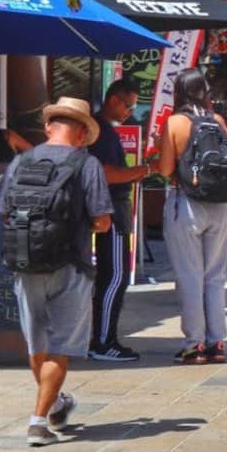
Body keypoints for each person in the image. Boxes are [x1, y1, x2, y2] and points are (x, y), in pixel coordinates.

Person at [0, 98, 112, 447]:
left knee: (38, 346)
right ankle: (37, 422)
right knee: (59, 348)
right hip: (71, 266)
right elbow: (102, 221)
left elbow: (4, 211)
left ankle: (56, 404)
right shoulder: (86, 164)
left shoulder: (21, 161)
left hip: (25, 263)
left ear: (49, 127)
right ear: (81, 134)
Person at [155, 69, 227, 365]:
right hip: (220, 206)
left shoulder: (174, 123)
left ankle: (194, 344)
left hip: (185, 203)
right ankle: (217, 341)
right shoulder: (218, 121)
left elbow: (164, 170)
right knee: (215, 276)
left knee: (190, 276)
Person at [88, 79, 145, 362]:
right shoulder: (103, 133)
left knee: (113, 277)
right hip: (110, 209)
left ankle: (102, 338)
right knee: (114, 278)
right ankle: (102, 342)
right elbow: (107, 173)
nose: (130, 111)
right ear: (113, 100)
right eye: (128, 104)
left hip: (112, 209)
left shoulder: (105, 130)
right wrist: (144, 169)